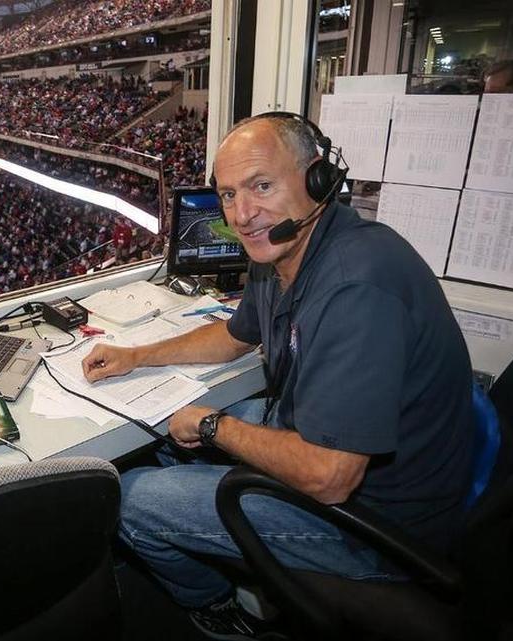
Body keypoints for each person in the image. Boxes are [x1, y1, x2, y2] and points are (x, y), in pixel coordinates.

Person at [83, 113, 474, 639]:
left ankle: (221, 610)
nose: (243, 215)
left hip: (378, 527)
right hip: (340, 463)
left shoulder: (357, 286)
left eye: (261, 186)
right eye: (227, 195)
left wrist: (211, 426)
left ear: (317, 177)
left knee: (128, 499)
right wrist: (137, 355)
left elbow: (329, 478)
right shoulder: (284, 253)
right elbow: (233, 336)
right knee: (169, 445)